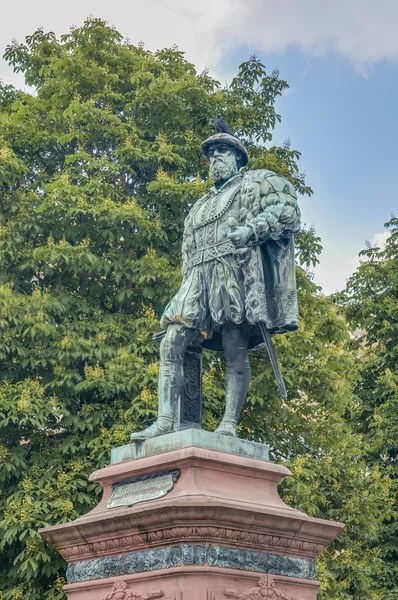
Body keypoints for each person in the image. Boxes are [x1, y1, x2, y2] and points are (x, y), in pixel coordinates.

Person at [131, 132, 301, 439]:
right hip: (197, 278)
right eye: (211, 154)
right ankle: (166, 420)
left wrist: (253, 229)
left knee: (234, 348)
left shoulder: (257, 183)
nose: (215, 158)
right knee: (172, 341)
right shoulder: (199, 205)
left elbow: (287, 212)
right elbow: (187, 249)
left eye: (222, 151)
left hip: (233, 275)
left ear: (238, 156)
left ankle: (229, 423)